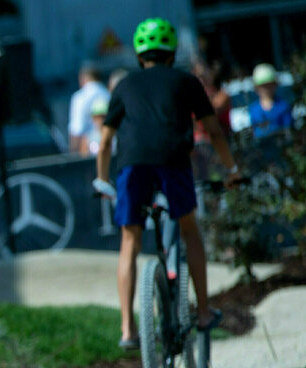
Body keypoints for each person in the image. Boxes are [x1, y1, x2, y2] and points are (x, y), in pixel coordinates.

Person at [92, 17, 240, 350]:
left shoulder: (124, 86)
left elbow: (104, 142)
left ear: (139, 54)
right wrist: (231, 169)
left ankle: (128, 329)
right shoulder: (186, 81)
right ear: (171, 52)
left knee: (129, 240)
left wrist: (101, 180)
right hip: (173, 161)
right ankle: (202, 312)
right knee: (189, 230)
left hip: (132, 165)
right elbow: (213, 131)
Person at [69, 64, 110, 154]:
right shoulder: (108, 94)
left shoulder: (80, 97)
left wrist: (72, 156)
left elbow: (77, 129)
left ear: (83, 78)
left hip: (88, 152)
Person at [247, 63, 293, 140]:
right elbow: (254, 133)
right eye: (263, 86)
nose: (266, 89)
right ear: (256, 88)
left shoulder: (284, 106)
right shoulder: (253, 109)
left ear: (275, 85)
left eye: (269, 85)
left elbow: (288, 131)